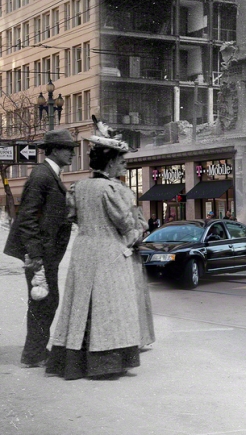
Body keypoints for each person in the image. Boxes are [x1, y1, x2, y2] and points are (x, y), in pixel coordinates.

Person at [46, 127, 152, 380]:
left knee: (81, 304)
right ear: (112, 161)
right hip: (110, 253)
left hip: (83, 252)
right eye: (122, 162)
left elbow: (72, 217)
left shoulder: (77, 187)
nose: (124, 167)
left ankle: (74, 360)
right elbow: (127, 225)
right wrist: (139, 227)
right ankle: (105, 363)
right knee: (111, 307)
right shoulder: (115, 190)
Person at [3, 129, 76, 368]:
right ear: (54, 150)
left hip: (46, 252)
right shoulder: (42, 175)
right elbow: (27, 218)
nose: (72, 154)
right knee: (43, 301)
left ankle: (35, 350)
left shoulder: (50, 175)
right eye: (68, 149)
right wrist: (35, 255)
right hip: (39, 254)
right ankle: (33, 354)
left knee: (46, 301)